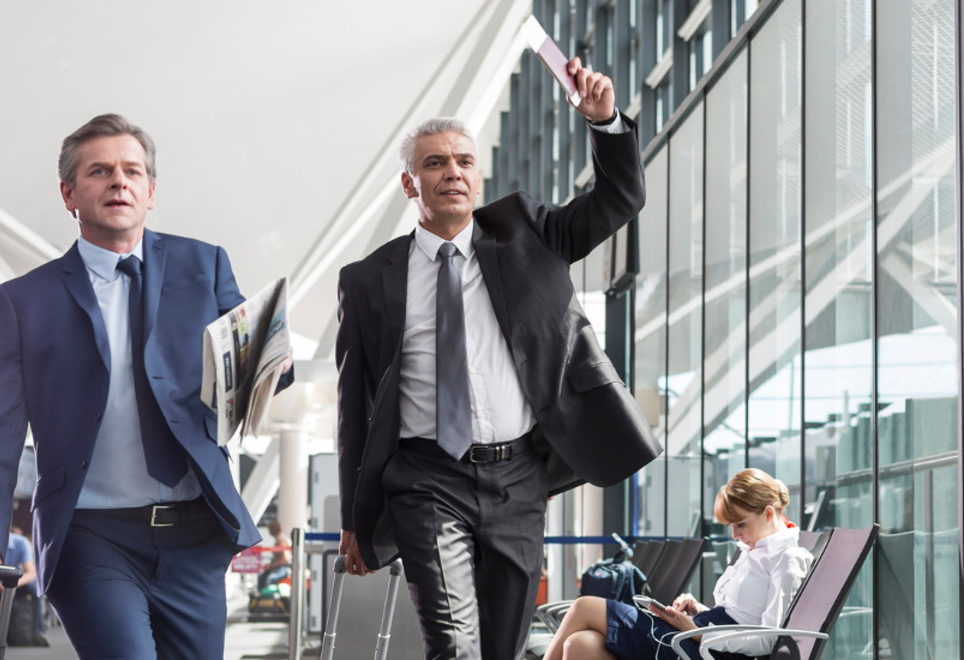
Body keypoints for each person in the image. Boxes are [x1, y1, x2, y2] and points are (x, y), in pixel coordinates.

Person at [336, 57, 660, 660]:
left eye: (464, 161)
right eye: (435, 163)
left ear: (479, 179)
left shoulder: (528, 233)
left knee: (502, 646)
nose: (452, 172)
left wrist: (604, 122)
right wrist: (355, 516)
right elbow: (354, 406)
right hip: (426, 478)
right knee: (454, 645)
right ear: (409, 184)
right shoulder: (367, 280)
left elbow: (620, 199)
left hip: (519, 477)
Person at [0, 113, 293, 659]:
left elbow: (257, 370)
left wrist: (275, 358)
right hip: (90, 535)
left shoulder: (204, 265)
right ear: (69, 194)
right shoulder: (26, 301)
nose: (118, 182)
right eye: (100, 171)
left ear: (151, 192)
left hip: (195, 535)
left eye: (132, 171)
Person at [545, 469, 813, 660]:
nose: (734, 535)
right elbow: (738, 615)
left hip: (707, 649)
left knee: (584, 606)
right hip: (699, 636)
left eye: (741, 524)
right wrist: (698, 610)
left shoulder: (786, 559)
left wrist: (696, 632)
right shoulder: (753, 549)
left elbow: (768, 639)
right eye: (731, 526)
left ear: (768, 513)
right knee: (579, 645)